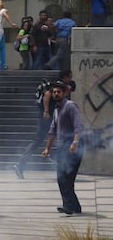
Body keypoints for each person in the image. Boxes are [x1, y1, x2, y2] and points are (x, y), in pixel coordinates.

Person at [14, 69, 75, 179]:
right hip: (48, 118)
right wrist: (46, 111)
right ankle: (21, 164)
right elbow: (47, 94)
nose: (71, 79)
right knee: (41, 139)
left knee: (52, 138)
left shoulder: (59, 84)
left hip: (53, 117)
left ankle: (22, 164)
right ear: (65, 77)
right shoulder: (57, 85)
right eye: (70, 77)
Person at [42, 81, 84, 215]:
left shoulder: (70, 106)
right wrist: (47, 148)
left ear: (65, 93)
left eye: (58, 92)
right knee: (65, 179)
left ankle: (68, 206)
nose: (56, 94)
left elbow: (78, 126)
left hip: (73, 147)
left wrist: (75, 142)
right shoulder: (56, 109)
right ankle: (74, 207)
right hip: (62, 147)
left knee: (64, 177)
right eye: (54, 92)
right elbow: (52, 130)